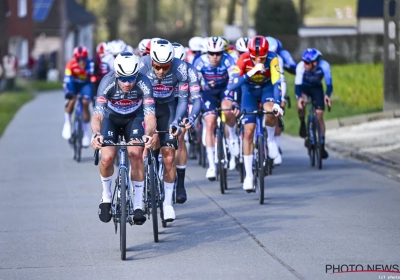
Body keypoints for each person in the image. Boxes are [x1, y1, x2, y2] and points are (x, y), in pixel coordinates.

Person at [91, 52, 156, 224]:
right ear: (117, 75)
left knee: (135, 153)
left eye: (131, 78)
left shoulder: (144, 82)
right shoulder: (107, 82)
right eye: (123, 79)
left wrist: (148, 135)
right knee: (107, 157)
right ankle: (106, 197)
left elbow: (150, 116)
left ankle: (137, 205)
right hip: (111, 118)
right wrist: (97, 134)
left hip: (134, 118)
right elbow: (97, 115)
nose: (128, 83)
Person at [139, 39, 189, 222]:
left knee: (169, 157)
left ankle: (168, 203)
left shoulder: (180, 68)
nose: (160, 71)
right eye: (157, 66)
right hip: (146, 107)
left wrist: (177, 121)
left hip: (168, 108)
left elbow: (184, 99)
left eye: (165, 67)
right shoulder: (141, 65)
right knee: (140, 148)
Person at [227, 36, 283, 191]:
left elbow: (277, 82)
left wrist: (278, 103)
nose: (259, 60)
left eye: (262, 57)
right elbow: (232, 85)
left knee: (270, 111)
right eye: (255, 57)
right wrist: (252, 71)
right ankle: (249, 176)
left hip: (267, 89)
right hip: (249, 91)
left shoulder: (272, 58)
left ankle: (271, 141)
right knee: (248, 131)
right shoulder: (243, 59)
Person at [193, 36, 239, 180]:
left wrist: (234, 101)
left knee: (227, 109)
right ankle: (212, 166)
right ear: (206, 52)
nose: (214, 57)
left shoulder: (228, 60)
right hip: (208, 92)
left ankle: (232, 135)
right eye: (211, 53)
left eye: (218, 53)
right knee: (210, 121)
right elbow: (195, 83)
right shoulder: (199, 62)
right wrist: (205, 85)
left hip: (225, 89)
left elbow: (234, 80)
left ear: (222, 52)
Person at [171, 42, 202, 204]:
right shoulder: (160, 69)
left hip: (182, 102)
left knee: (180, 136)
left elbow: (196, 99)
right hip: (163, 103)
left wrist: (191, 118)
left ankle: (180, 183)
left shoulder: (190, 70)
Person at [295, 48, 332, 159]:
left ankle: (322, 144)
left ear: (315, 62)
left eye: (307, 62)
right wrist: (299, 98)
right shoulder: (300, 66)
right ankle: (302, 123)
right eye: (303, 61)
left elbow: (329, 85)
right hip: (304, 88)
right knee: (302, 104)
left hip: (317, 88)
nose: (304, 64)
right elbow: (297, 86)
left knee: (319, 114)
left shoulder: (324, 66)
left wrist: (327, 96)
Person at [62, 46, 93, 146]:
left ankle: (85, 133)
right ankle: (67, 123)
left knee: (85, 103)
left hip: (85, 84)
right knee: (71, 101)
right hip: (73, 84)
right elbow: (66, 79)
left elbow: (93, 80)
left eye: (84, 59)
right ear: (76, 59)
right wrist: (67, 92)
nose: (82, 62)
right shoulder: (70, 64)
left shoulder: (90, 64)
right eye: (79, 60)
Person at [265, 36, 287, 165]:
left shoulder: (277, 59)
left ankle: (275, 145)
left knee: (275, 115)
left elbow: (280, 81)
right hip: (257, 91)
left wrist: (281, 99)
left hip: (271, 90)